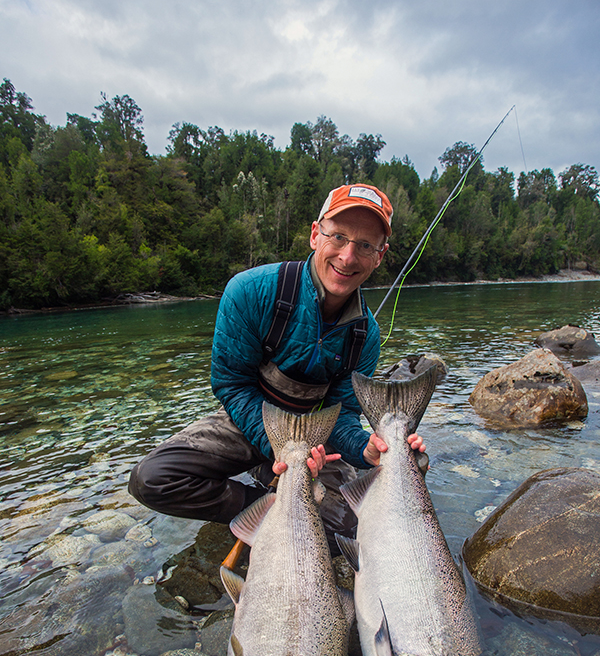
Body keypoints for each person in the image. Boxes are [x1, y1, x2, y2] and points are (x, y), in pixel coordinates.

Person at [128, 183, 425, 548]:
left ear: (380, 256)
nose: (348, 257)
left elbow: (343, 414)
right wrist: (283, 452)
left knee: (353, 531)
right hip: (250, 422)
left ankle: (295, 507)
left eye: (365, 245)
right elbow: (232, 386)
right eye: (339, 237)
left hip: (317, 442)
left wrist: (366, 449)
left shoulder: (367, 336)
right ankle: (264, 507)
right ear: (315, 235)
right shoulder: (250, 291)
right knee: (153, 479)